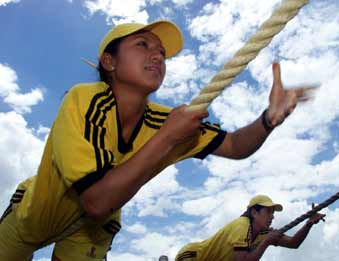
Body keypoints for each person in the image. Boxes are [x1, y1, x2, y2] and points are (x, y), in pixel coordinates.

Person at [0, 19, 312, 260]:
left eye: (161, 52)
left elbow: (235, 145)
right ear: (109, 62)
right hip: (33, 216)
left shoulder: (165, 120)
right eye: (143, 45)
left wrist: (268, 120)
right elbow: (95, 200)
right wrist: (167, 139)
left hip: (91, 230)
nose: (157, 56)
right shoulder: (86, 100)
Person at [175, 195, 325, 261]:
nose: (272, 216)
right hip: (192, 257)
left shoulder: (263, 232)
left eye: (273, 212)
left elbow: (293, 244)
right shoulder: (241, 226)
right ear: (254, 212)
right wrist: (266, 242)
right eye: (268, 211)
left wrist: (309, 223)